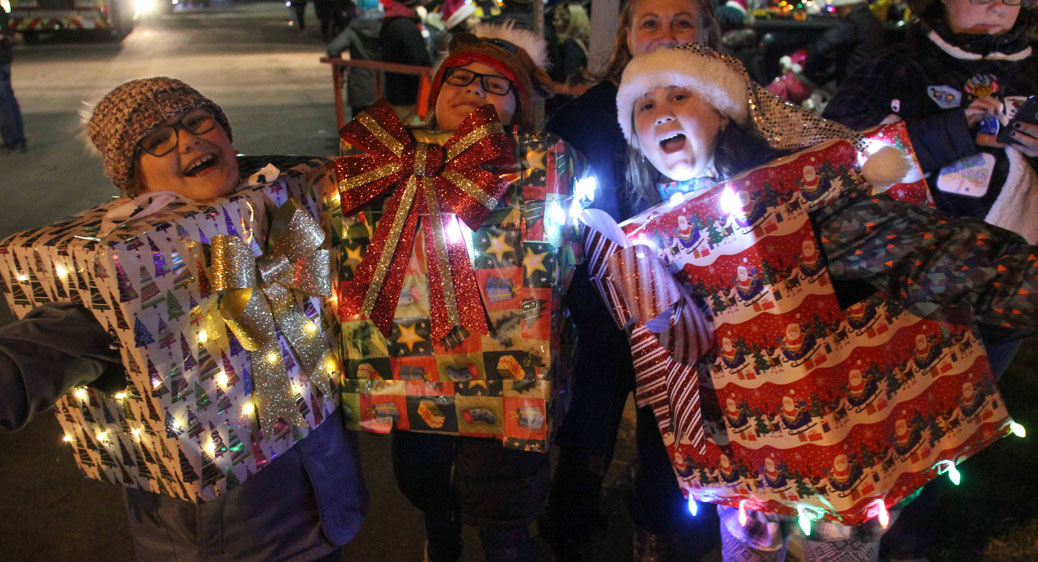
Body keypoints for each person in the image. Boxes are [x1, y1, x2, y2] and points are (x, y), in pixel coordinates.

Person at [615, 41, 1038, 562]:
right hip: (742, 467)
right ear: (634, 138)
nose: (662, 114)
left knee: (835, 546)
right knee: (750, 542)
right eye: (645, 105)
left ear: (723, 116)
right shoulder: (646, 232)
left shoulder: (796, 201)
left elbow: (925, 254)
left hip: (838, 461)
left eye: (679, 95)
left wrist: (1022, 279)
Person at [1, 77, 369, 561]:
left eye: (197, 121)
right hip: (229, 545)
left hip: (328, 516)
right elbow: (36, 353)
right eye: (158, 141)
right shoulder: (133, 272)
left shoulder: (289, 204)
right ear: (135, 182)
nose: (189, 140)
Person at [823, 1, 1038, 559]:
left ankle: (917, 538)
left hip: (1009, 292)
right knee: (897, 437)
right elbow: (840, 160)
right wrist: (951, 132)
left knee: (958, 441)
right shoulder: (898, 65)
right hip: (908, 284)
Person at [365, 23, 579, 562]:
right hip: (418, 370)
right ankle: (441, 541)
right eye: (459, 79)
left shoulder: (543, 170)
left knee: (503, 506)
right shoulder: (390, 165)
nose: (474, 90)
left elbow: (568, 260)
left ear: (520, 111)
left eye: (495, 85)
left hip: (507, 378)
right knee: (425, 477)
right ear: (433, 96)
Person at [541, 1, 722, 560]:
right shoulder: (581, 118)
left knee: (667, 432)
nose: (666, 34)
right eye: (650, 22)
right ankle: (570, 530)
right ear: (625, 33)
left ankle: (655, 527)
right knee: (585, 430)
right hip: (596, 313)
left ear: (705, 32)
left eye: (682, 22)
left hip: (681, 317)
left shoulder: (724, 107)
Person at [326, 0, 384, 119]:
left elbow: (333, 49)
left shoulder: (353, 29)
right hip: (383, 82)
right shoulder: (385, 27)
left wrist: (342, 67)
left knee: (361, 128)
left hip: (359, 83)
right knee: (383, 129)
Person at [380, 0, 434, 122]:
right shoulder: (407, 26)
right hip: (408, 93)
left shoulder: (389, 22)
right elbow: (419, 57)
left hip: (393, 88)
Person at [0, 3, 27, 154]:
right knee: (8, 100)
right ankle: (17, 139)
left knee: (5, 104)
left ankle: (14, 141)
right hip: (4, 60)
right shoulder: (2, 10)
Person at [550, 2, 591, 85]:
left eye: (558, 19)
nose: (554, 24)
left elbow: (571, 78)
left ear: (571, 22)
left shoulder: (570, 45)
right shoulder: (581, 44)